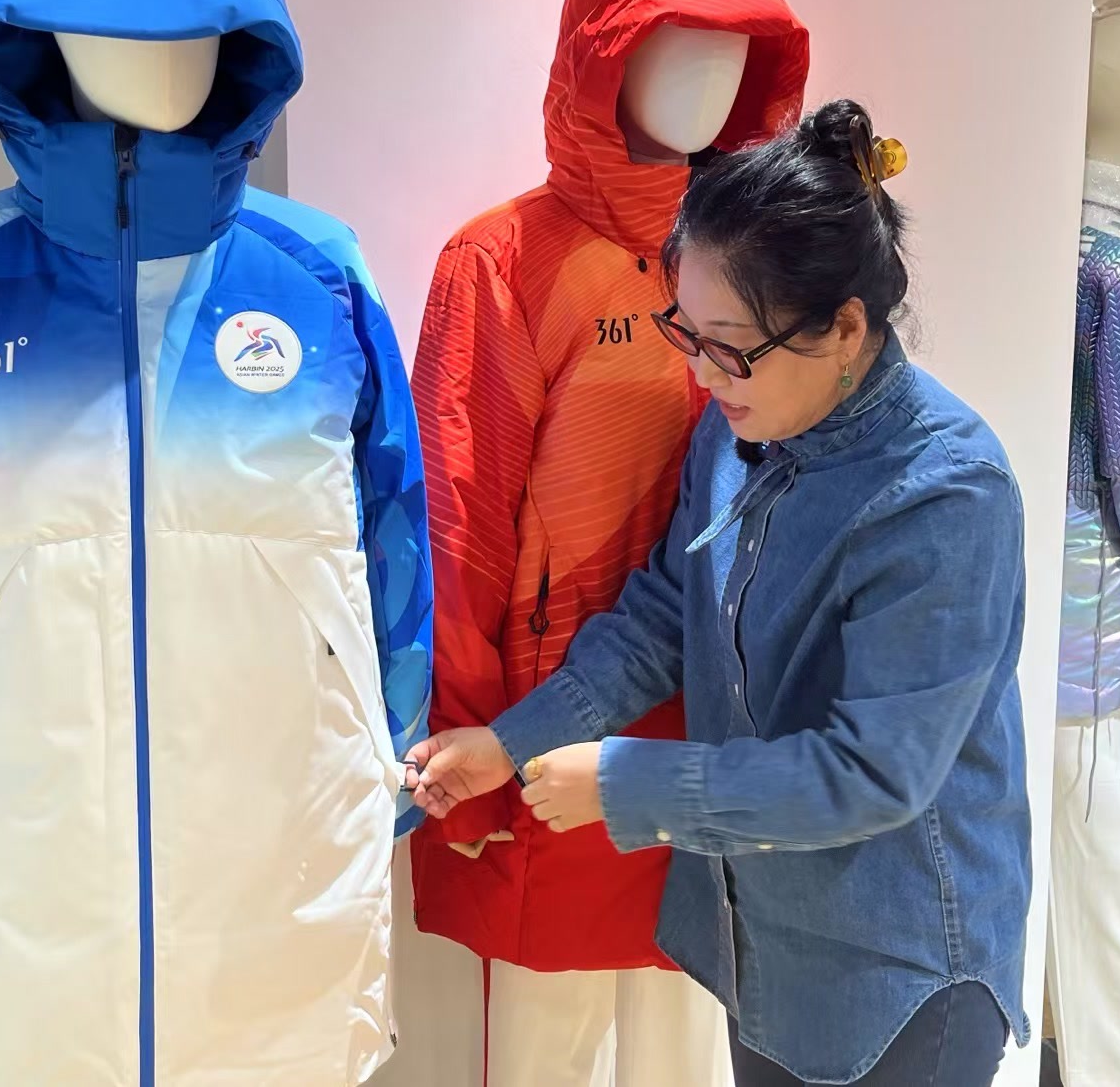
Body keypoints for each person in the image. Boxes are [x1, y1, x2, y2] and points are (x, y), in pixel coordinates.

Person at [407, 100, 1034, 1087]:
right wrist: (509, 740)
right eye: (686, 333)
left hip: (898, 968)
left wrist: (624, 784)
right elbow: (665, 614)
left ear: (844, 328)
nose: (700, 374)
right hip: (762, 937)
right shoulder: (741, 424)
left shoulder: (943, 494)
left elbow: (870, 774)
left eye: (728, 345)